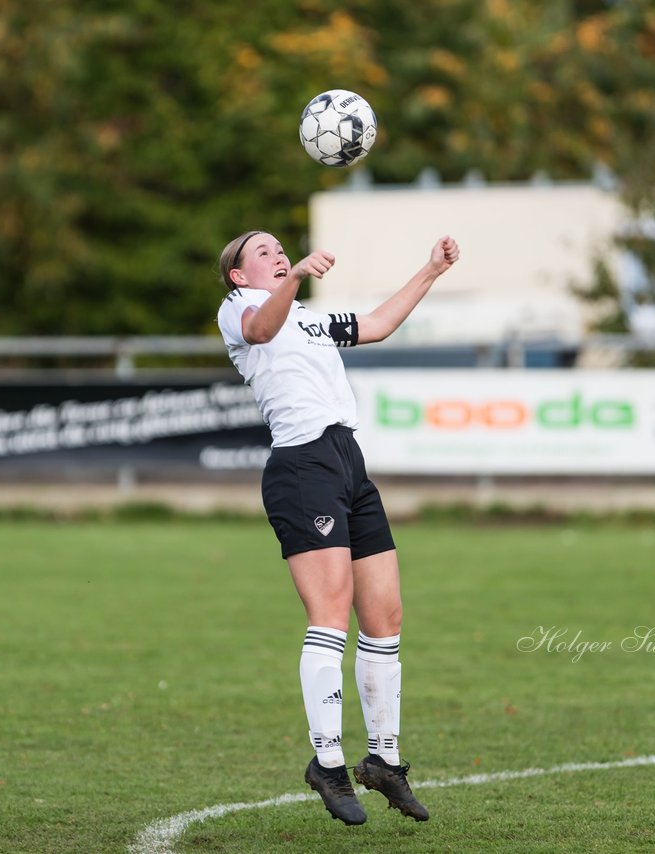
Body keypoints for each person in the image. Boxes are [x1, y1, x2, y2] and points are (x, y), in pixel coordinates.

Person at [216, 229, 460, 825]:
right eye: (263, 253)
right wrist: (295, 274)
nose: (276, 256)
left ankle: (383, 761)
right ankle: (326, 762)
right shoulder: (241, 310)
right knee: (330, 613)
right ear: (239, 275)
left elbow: (376, 324)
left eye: (281, 249)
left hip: (348, 462)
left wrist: (430, 271)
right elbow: (260, 332)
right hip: (302, 467)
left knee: (385, 616)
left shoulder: (307, 318)